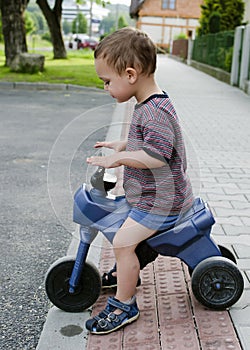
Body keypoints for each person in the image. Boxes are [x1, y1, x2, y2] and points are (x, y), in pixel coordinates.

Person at [86, 27, 194, 335]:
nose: (106, 87)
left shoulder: (155, 111)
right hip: (153, 197)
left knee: (121, 242)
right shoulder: (148, 103)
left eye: (107, 81)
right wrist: (120, 146)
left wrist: (118, 160)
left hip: (162, 203)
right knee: (124, 230)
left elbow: (157, 157)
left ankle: (125, 304)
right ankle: (130, 269)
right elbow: (149, 145)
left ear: (130, 74)